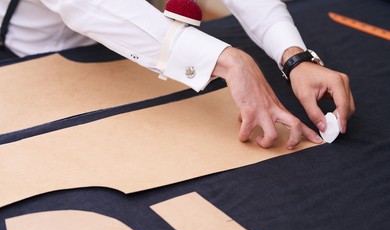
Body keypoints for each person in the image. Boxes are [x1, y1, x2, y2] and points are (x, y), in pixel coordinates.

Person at [0, 0, 355, 149]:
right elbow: (94, 6)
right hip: (33, 57)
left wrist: (294, 57)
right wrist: (229, 61)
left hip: (137, 49)